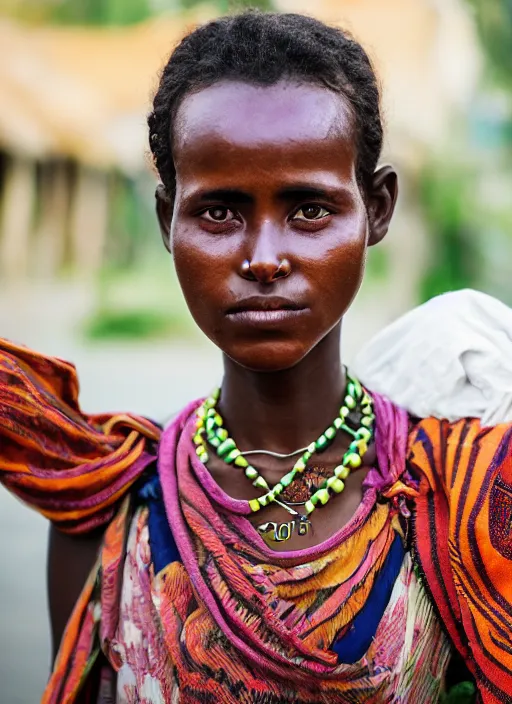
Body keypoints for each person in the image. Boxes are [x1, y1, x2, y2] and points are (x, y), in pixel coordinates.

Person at [1, 11, 511, 704]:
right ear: (166, 222)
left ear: (378, 209)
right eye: (218, 213)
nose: (264, 258)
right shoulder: (114, 517)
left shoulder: (457, 499)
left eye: (309, 210)